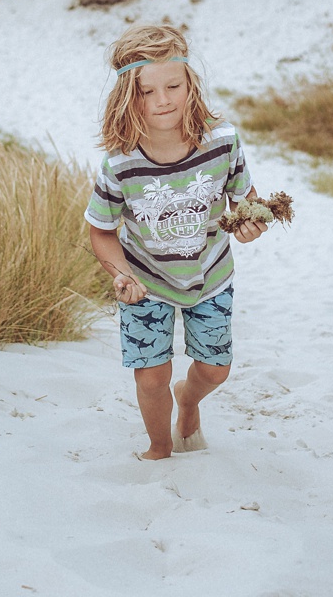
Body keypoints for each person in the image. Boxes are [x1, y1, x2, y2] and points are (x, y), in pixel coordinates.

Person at [85, 23, 268, 460]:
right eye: (147, 91)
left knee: (215, 370)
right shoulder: (121, 162)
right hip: (145, 281)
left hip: (210, 277)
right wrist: (121, 275)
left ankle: (188, 401)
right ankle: (160, 447)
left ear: (191, 83)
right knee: (151, 376)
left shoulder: (223, 142)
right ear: (128, 96)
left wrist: (252, 225)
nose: (163, 99)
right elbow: (101, 231)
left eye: (173, 85)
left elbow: (249, 205)